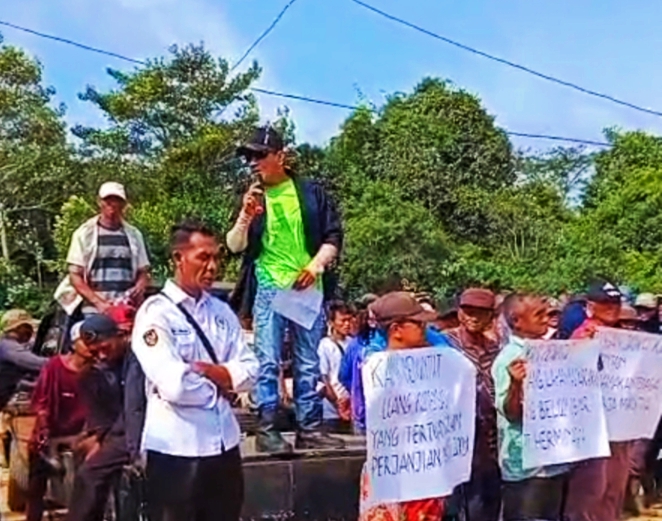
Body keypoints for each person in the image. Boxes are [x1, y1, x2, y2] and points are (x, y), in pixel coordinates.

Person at [132, 219, 259, 521]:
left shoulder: (222, 312)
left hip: (224, 445)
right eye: (203, 257)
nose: (212, 266)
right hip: (177, 450)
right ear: (178, 258)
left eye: (216, 258)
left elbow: (252, 369)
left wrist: (209, 372)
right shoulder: (156, 313)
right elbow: (175, 385)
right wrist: (225, 381)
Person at [227, 126, 344, 453]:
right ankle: (266, 428)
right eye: (249, 157)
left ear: (280, 156)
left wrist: (315, 266)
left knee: (308, 360)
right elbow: (234, 246)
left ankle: (310, 427)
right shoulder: (253, 197)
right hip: (268, 285)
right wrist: (245, 216)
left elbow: (333, 236)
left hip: (307, 287)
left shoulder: (310, 193)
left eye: (260, 155)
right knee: (268, 358)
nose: (253, 162)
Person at [359, 292, 447, 521]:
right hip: (394, 471)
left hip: (426, 468)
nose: (425, 329)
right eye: (418, 324)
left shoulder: (436, 365)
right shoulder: (376, 370)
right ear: (396, 329)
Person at [492, 293, 569, 521]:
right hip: (526, 467)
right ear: (517, 321)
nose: (546, 319)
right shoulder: (510, 358)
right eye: (539, 314)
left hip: (554, 460)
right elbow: (511, 414)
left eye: (547, 313)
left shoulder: (549, 352)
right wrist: (515, 384)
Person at [564, 280, 625, 521]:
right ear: (590, 306)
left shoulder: (626, 337)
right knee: (590, 494)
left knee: (613, 492)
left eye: (616, 302)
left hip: (621, 427)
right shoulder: (582, 336)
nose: (612, 307)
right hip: (592, 431)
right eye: (605, 303)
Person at [26, 321, 99, 521]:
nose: (92, 346)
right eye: (86, 340)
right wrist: (46, 432)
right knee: (36, 487)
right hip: (51, 434)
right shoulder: (54, 367)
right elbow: (41, 403)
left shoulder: (99, 372)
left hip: (84, 435)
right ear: (74, 343)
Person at [67, 313, 130, 521]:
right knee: (82, 457)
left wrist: (103, 441)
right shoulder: (93, 374)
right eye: (95, 352)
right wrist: (98, 437)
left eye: (105, 348)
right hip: (115, 431)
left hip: (137, 429)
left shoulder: (137, 360)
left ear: (119, 336)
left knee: (90, 473)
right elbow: (101, 415)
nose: (102, 356)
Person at [55, 181, 151, 318]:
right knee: (97, 331)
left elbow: (143, 271)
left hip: (127, 308)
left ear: (124, 204)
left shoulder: (134, 235)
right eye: (108, 200)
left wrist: (140, 287)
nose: (112, 204)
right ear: (99, 202)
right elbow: (75, 276)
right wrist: (99, 303)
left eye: (117, 200)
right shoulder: (84, 234)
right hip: (94, 310)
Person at [447, 288, 501, 521]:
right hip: (457, 438)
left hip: (490, 439)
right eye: (468, 311)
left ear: (491, 316)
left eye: (481, 312)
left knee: (489, 502)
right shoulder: (446, 344)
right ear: (459, 312)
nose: (474, 317)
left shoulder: (495, 348)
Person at [0, 309, 47, 411]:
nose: (31, 331)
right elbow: (36, 364)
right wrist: (64, 361)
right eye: (28, 327)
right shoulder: (8, 347)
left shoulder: (7, 345)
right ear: (19, 328)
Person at [317, 300, 353, 432]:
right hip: (331, 410)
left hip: (351, 407)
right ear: (331, 323)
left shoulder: (352, 343)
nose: (347, 324)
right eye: (343, 320)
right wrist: (337, 401)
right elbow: (324, 376)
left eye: (349, 320)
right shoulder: (325, 345)